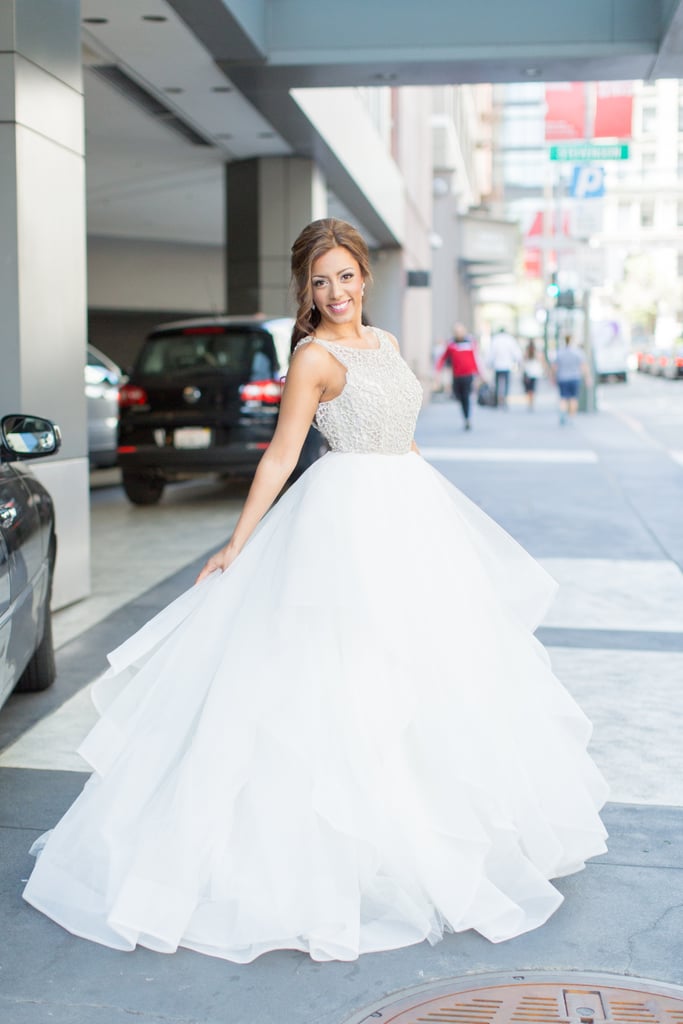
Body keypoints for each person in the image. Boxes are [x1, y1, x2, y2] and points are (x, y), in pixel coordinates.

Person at [23, 218, 608, 963]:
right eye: (319, 281)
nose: (334, 291)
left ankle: (427, 831)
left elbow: (403, 434)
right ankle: (345, 853)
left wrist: (435, 505)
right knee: (342, 675)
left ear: (363, 275)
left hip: (409, 511)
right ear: (306, 289)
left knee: (430, 674)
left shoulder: (388, 345)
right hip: (344, 522)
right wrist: (236, 543)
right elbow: (278, 457)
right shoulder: (311, 356)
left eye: (345, 275)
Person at [435, 323, 482, 430]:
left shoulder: (470, 343)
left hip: (468, 375)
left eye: (460, 331)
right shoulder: (451, 344)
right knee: (458, 396)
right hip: (456, 375)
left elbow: (476, 359)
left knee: (466, 396)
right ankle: (466, 415)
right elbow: (443, 358)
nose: (459, 333)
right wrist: (438, 370)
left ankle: (467, 418)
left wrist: (479, 374)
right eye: (457, 332)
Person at [552, 333, 591, 425]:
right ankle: (571, 417)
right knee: (573, 398)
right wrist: (587, 377)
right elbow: (583, 366)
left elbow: (554, 367)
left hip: (562, 378)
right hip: (575, 378)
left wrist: (553, 377)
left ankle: (562, 414)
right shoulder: (578, 352)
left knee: (563, 398)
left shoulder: (560, 352)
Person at [488, 326, 522, 408]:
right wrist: (518, 361)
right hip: (507, 365)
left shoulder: (495, 339)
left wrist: (489, 363)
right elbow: (516, 352)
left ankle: (498, 400)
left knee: (497, 383)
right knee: (506, 383)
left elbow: (491, 353)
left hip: (497, 365)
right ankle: (505, 399)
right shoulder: (510, 339)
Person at [521, 339, 546, 411]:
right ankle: (531, 402)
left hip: (528, 373)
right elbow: (542, 361)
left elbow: (523, 363)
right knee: (532, 389)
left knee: (528, 389)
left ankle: (529, 402)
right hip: (535, 373)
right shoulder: (537, 353)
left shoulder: (526, 353)